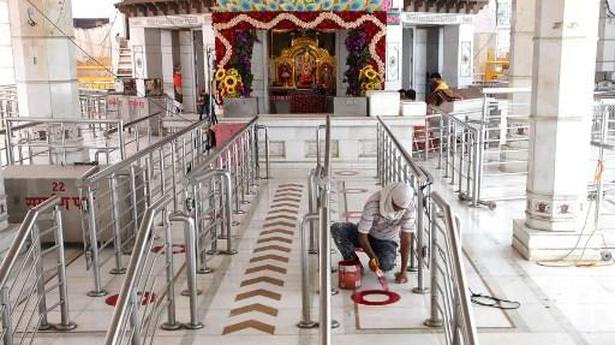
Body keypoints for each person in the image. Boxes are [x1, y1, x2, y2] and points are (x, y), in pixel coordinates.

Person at [331, 182, 415, 284]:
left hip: (387, 240)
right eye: (395, 206)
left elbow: (406, 240)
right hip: (367, 235)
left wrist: (403, 271)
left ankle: (379, 256)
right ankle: (354, 262)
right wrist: (372, 257)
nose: (396, 210)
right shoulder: (373, 203)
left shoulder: (409, 208)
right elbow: (362, 235)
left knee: (386, 265)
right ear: (390, 198)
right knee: (337, 229)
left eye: (400, 209)